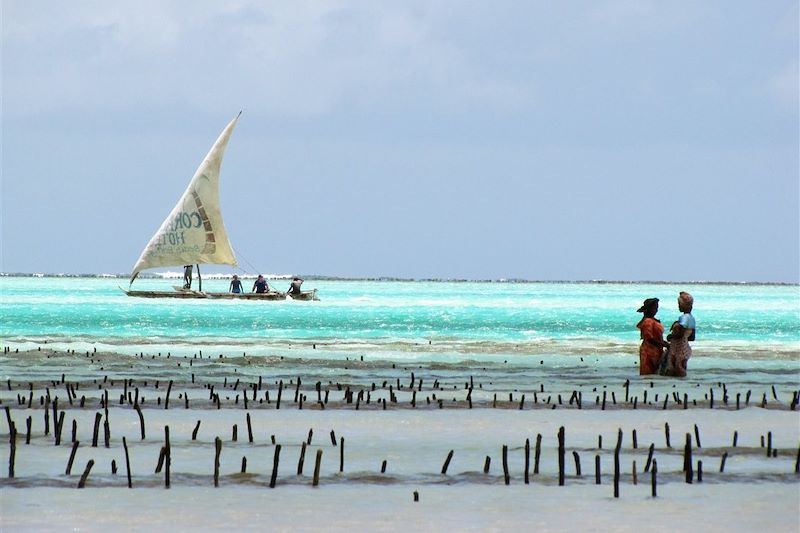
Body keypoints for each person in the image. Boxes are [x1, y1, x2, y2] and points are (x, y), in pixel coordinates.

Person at [663, 291, 696, 377]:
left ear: (684, 305)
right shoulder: (692, 318)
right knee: (681, 368)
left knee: (674, 368)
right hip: (685, 347)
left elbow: (680, 333)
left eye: (679, 304)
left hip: (678, 348)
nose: (678, 306)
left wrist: (671, 337)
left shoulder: (684, 317)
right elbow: (692, 337)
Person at [636, 297, 669, 375]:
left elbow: (656, 338)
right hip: (649, 351)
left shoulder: (652, 320)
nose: (656, 310)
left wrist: (665, 344)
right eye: (655, 308)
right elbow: (649, 339)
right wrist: (665, 344)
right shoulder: (648, 322)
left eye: (657, 308)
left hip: (656, 350)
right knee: (649, 373)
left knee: (654, 373)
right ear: (649, 309)